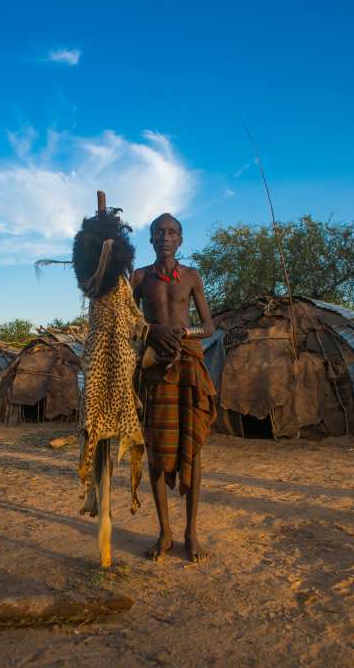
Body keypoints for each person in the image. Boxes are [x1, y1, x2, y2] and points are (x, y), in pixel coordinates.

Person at [133, 213, 216, 563]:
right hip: (155, 368)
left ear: (180, 240)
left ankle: (190, 533)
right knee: (154, 448)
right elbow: (129, 322)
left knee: (192, 448)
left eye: (171, 232)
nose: (165, 237)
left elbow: (209, 326)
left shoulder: (192, 277)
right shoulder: (138, 277)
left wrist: (187, 333)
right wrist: (151, 332)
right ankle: (165, 532)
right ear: (150, 240)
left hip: (188, 365)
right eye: (158, 232)